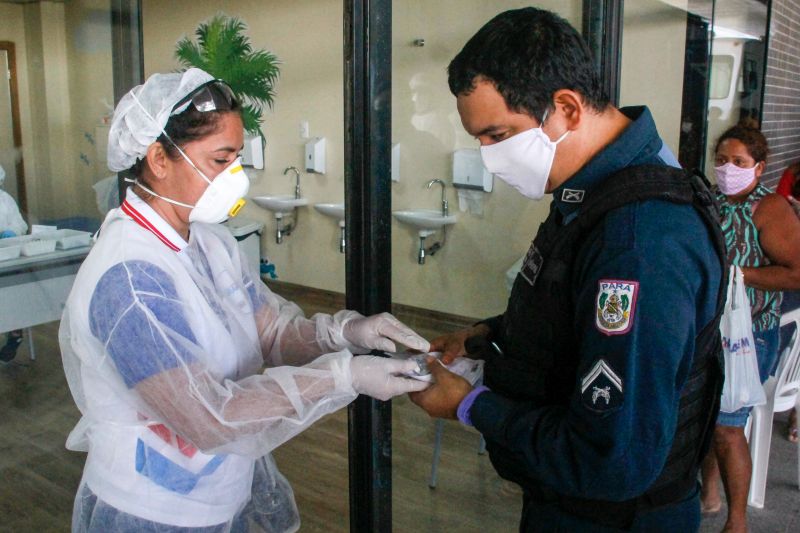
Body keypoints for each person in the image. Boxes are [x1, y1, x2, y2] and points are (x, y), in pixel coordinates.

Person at [59, 68, 431, 533]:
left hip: (222, 488)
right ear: (158, 158)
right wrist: (342, 375)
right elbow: (209, 417)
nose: (235, 177)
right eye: (220, 160)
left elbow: (271, 332)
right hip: (154, 508)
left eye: (238, 158)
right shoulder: (129, 279)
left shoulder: (209, 242)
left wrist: (345, 333)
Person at [409, 8, 726, 532]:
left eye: (498, 135)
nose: (487, 159)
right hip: (565, 500)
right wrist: (487, 336)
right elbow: (568, 307)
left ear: (566, 108)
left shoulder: (640, 242)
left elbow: (613, 460)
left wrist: (470, 406)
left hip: (613, 517)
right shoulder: (595, 193)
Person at [699, 121, 800, 530]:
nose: (727, 169)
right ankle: (708, 491)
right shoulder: (708, 199)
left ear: (759, 168)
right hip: (709, 330)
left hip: (749, 333)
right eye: (721, 160)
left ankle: (736, 520)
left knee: (727, 428)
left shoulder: (769, 208)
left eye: (738, 162)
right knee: (708, 416)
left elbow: (796, 273)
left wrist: (740, 275)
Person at [0, 162, 27, 362]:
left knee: (13, 297)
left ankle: (15, 336)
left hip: (7, 257)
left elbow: (20, 224)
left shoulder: (5, 200)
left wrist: (10, 233)